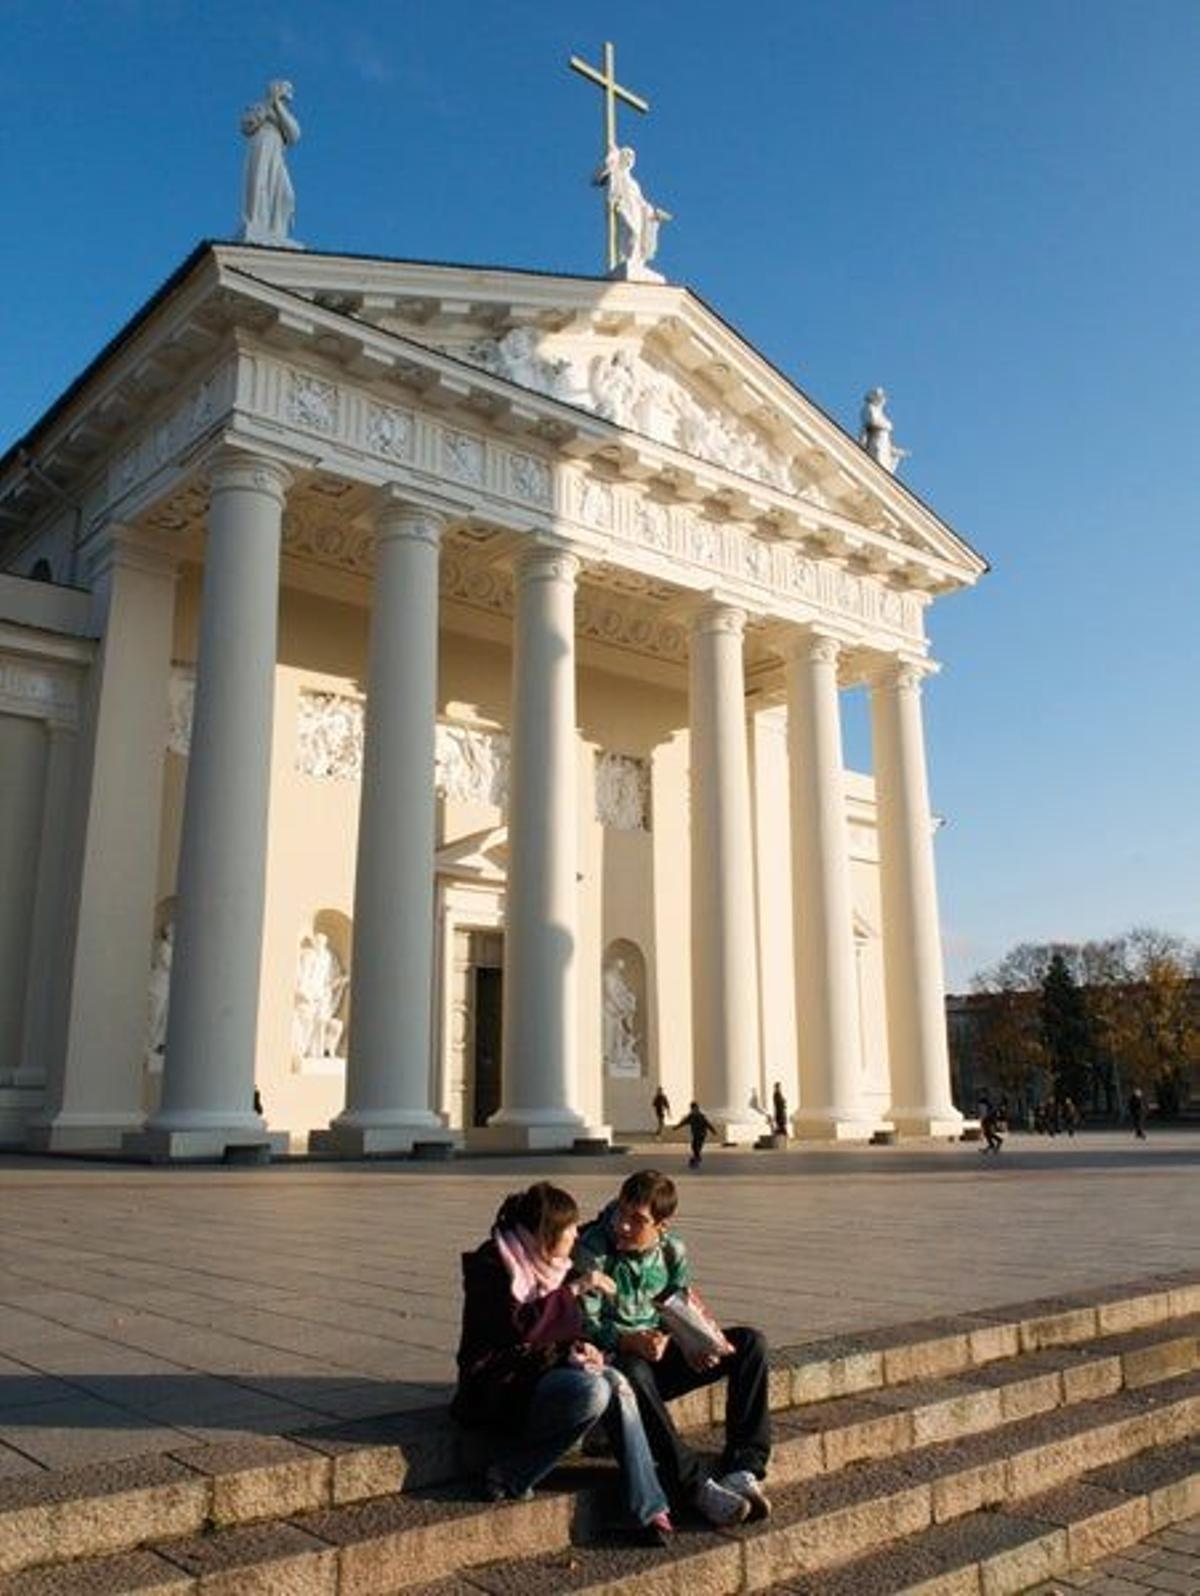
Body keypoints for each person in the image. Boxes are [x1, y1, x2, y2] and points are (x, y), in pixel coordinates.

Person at [451, 1182, 673, 1546]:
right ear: (544, 1233)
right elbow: (520, 1328)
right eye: (568, 1226)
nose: (575, 1232)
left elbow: (565, 1330)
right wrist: (573, 1291)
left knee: (614, 1380)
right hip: (499, 1388)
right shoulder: (492, 1265)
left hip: (540, 1378)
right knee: (594, 1391)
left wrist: (583, 1348)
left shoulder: (554, 1266)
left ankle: (648, 1508)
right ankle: (512, 1473)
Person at [575, 1169, 771, 1527]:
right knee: (633, 1368)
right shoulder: (593, 1248)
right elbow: (583, 1323)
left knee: (750, 1344)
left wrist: (693, 1339)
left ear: (662, 1226)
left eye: (638, 1221)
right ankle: (693, 1485)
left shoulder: (671, 1251)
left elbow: (676, 1307)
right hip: (617, 1365)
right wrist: (625, 1339)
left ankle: (744, 1467)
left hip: (658, 1356)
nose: (623, 1227)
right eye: (621, 1213)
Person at [677, 1101, 717, 1168]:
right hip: (695, 1134)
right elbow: (683, 1122)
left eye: (695, 1109)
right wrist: (677, 1127)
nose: (694, 1110)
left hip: (702, 1134)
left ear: (697, 1108)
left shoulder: (701, 1116)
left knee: (697, 1147)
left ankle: (696, 1160)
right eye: (692, 1109)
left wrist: (713, 1131)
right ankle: (697, 1158)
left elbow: (708, 1124)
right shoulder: (691, 1116)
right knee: (693, 1146)